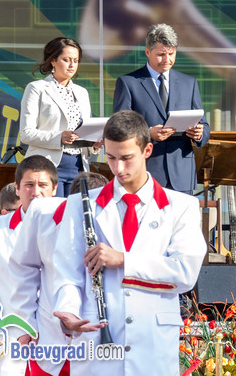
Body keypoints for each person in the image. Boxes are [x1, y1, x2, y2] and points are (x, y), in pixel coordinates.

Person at [52, 110, 207, 375]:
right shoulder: (79, 204)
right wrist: (68, 311)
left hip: (153, 342)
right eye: (111, 157)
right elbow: (67, 270)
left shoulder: (182, 206)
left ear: (147, 150)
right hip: (97, 336)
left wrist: (124, 260)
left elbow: (185, 273)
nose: (118, 168)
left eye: (126, 158)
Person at [0, 156, 58, 375]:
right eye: (29, 185)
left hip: (58, 344)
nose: (35, 192)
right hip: (8, 344)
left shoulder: (70, 229)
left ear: (54, 189)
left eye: (43, 185)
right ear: (17, 188)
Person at [10, 171, 107, 376]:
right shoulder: (41, 214)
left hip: (98, 343)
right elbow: (24, 270)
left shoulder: (112, 221)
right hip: (49, 339)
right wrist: (25, 324)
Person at [112, 23, 209, 194]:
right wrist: (148, 133)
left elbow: (205, 127)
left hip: (182, 173)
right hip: (145, 171)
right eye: (161, 54)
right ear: (147, 52)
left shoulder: (189, 83)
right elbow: (118, 128)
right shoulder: (128, 83)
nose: (167, 60)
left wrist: (199, 133)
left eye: (171, 54)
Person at [20, 37, 99, 197]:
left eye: (75, 61)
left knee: (76, 212)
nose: (72, 65)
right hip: (47, 166)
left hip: (79, 167)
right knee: (53, 212)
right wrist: (59, 137)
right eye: (66, 60)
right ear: (53, 61)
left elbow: (84, 130)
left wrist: (94, 143)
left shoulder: (82, 92)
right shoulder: (37, 89)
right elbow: (26, 134)